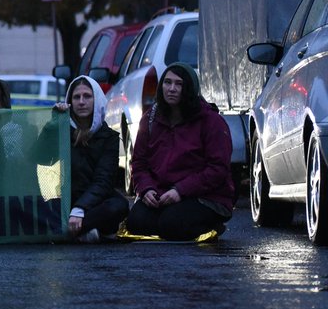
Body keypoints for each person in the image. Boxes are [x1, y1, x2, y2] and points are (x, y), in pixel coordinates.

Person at [126, 63, 234, 240]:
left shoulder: (211, 121)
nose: (172, 89)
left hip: (204, 195)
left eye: (179, 84)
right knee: (136, 222)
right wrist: (146, 189)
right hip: (161, 193)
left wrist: (180, 190)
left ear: (190, 88)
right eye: (167, 82)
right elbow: (139, 163)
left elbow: (218, 168)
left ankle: (212, 226)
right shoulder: (150, 118)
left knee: (172, 224)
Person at [51, 75, 130, 241]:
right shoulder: (60, 130)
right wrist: (53, 123)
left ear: (97, 100)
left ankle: (70, 231)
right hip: (63, 199)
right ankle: (82, 231)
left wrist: (79, 209)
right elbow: (39, 159)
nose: (81, 102)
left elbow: (103, 181)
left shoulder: (109, 137)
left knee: (119, 206)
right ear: (70, 101)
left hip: (94, 202)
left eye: (87, 96)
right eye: (76, 97)